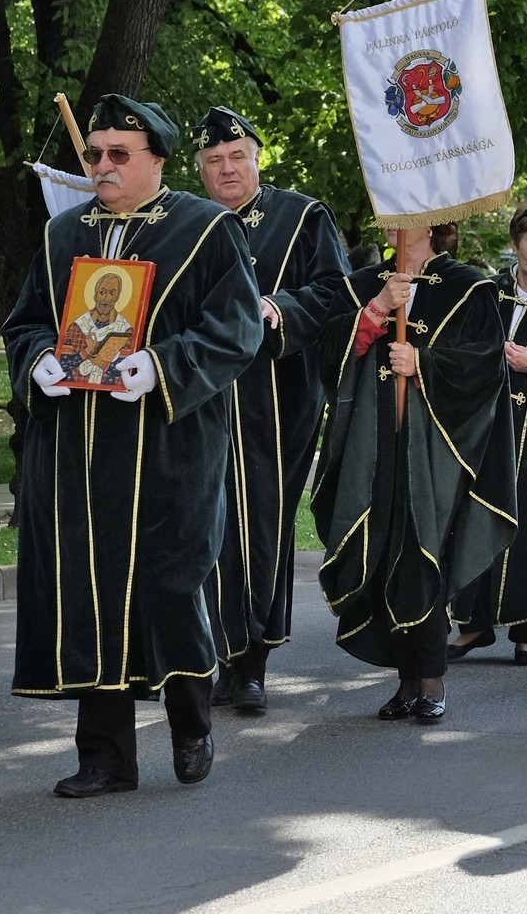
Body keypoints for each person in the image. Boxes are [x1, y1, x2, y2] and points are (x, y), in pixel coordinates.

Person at [3, 94, 262, 798]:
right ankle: (106, 757)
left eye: (119, 153)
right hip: (77, 450)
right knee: (88, 591)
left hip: (168, 448)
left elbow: (237, 330)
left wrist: (161, 366)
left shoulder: (206, 230)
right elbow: (26, 322)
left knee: (170, 586)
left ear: (157, 159)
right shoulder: (63, 234)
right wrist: (38, 362)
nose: (102, 165)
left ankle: (192, 720)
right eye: (95, 153)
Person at [290, 221, 518, 724]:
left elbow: (484, 366)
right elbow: (328, 356)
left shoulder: (468, 287)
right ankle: (405, 680)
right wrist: (375, 310)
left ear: (432, 219)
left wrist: (423, 363)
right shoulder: (362, 284)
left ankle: (431, 678)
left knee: (421, 555)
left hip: (435, 452)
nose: (393, 220)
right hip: (372, 447)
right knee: (380, 555)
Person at [191, 106, 350, 715]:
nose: (227, 169)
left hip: (277, 400)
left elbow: (336, 292)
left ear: (257, 158)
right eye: (214, 160)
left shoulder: (302, 216)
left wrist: (278, 308)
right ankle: (212, 655)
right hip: (200, 399)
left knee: (260, 524)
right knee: (202, 524)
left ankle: (251, 662)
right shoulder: (185, 222)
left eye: (237, 157)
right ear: (200, 169)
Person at [436, 201, 527, 666]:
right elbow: (459, 348)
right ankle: (473, 624)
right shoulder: (487, 292)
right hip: (485, 428)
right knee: (476, 516)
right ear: (517, 243)